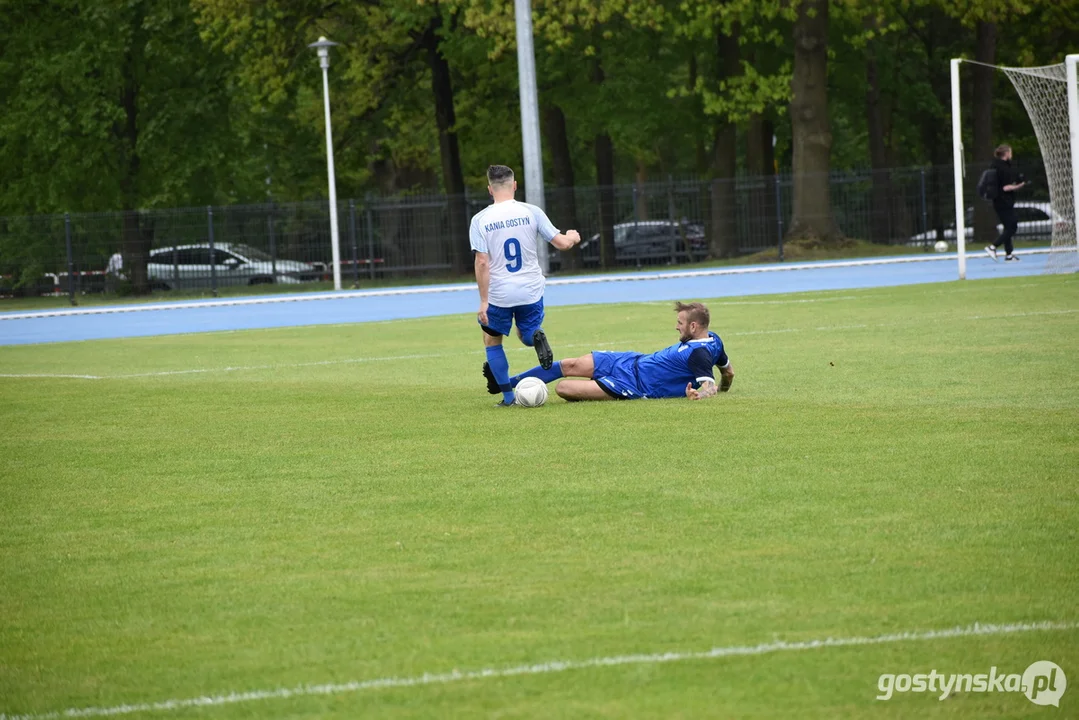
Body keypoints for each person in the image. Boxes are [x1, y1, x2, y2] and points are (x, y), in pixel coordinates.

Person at [471, 164, 582, 407]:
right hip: (530, 289)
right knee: (526, 333)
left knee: (492, 340)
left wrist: (483, 300)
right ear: (515, 185)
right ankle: (535, 336)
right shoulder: (532, 211)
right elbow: (562, 243)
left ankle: (509, 398)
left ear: (490, 189)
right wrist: (572, 236)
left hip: (499, 293)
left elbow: (482, 261)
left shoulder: (480, 219)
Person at [484, 301, 734, 402]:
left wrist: (703, 394)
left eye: (680, 323)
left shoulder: (699, 354)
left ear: (693, 326)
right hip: (631, 360)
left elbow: (709, 386)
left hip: (635, 384)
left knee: (563, 388)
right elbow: (729, 373)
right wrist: (725, 387)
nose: (676, 327)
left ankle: (517, 393)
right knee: (570, 364)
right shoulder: (715, 340)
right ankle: (505, 383)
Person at [985, 144, 1027, 262]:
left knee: (1008, 227)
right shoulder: (1003, 168)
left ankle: (1009, 254)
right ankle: (992, 247)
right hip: (1004, 201)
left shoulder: (994, 165)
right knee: (1013, 226)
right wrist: (1019, 185)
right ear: (1007, 153)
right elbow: (1005, 187)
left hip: (998, 200)